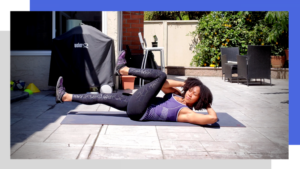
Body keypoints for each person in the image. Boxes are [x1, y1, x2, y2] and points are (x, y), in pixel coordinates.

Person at [55, 50, 218, 125]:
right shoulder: (177, 96)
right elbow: (165, 86)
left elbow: (211, 119)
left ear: (199, 99)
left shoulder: (186, 112)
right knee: (102, 97)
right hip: (137, 104)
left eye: (194, 94)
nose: (189, 93)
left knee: (160, 75)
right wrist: (185, 84)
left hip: (141, 111)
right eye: (190, 90)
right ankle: (65, 96)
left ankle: (123, 69)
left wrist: (207, 104)